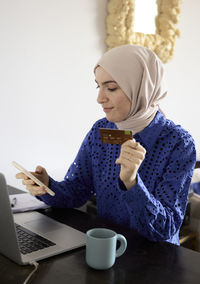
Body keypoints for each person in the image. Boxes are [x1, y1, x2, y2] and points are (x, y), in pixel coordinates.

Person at [16, 45, 196, 245]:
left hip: (156, 262)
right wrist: (47, 185)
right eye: (98, 86)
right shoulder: (101, 130)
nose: (100, 98)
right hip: (106, 248)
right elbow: (78, 191)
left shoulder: (179, 143)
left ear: (140, 87)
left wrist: (131, 182)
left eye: (111, 88)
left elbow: (166, 228)